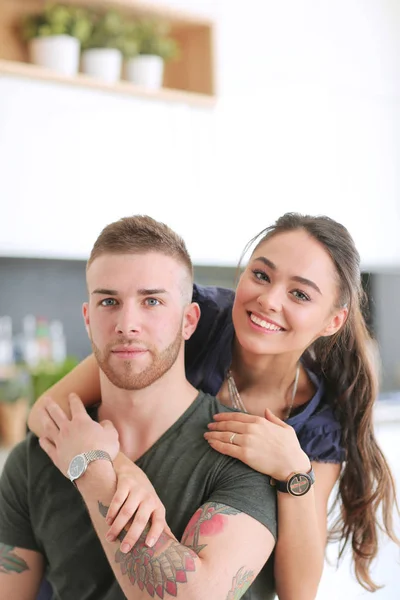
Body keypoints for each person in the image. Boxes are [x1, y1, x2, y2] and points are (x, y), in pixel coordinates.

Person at [29, 212, 399, 598]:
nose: (269, 300)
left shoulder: (320, 421)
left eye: (300, 294)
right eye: (261, 275)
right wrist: (118, 465)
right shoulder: (191, 321)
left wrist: (294, 471)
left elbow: (298, 591)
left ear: (333, 321)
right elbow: (46, 411)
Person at [0, 216, 279, 600]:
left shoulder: (243, 453)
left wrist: (91, 466)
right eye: (109, 301)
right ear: (87, 318)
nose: (127, 323)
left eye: (152, 301)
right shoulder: (34, 458)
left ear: (189, 320)